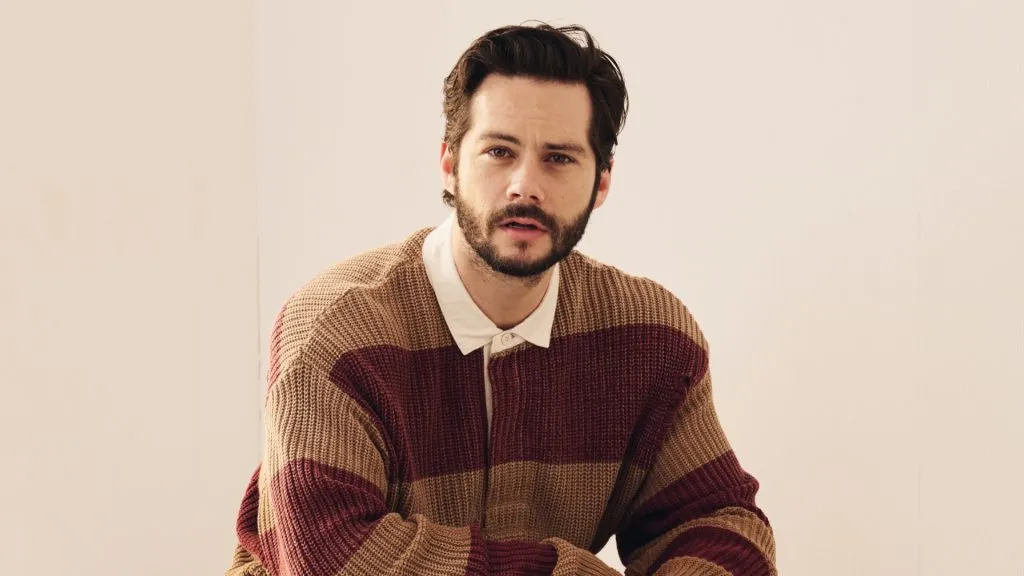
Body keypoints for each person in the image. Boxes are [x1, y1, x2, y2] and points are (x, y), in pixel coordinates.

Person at [227, 22, 776, 576]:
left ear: (602, 180)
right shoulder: (336, 330)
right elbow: (332, 558)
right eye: (498, 151)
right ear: (449, 162)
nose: (524, 185)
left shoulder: (650, 338)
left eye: (559, 158)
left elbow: (722, 524)